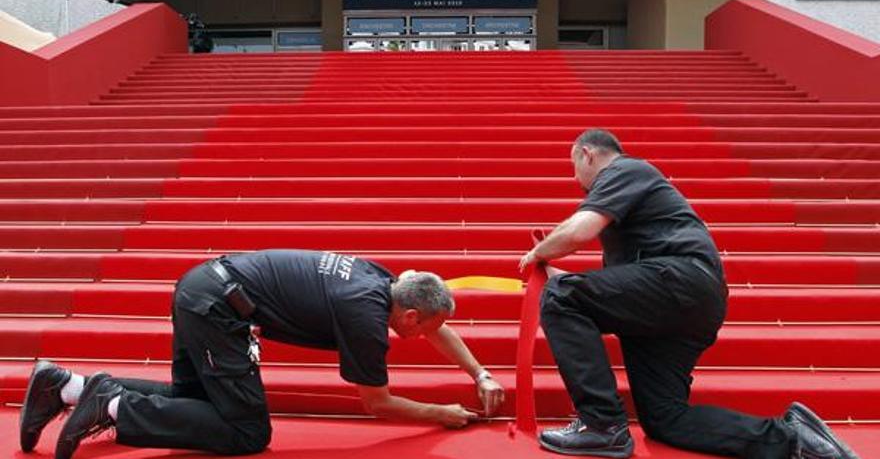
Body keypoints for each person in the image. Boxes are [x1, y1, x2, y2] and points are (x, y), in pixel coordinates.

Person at [518, 129, 859, 459]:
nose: (577, 180)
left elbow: (579, 230)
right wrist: (555, 277)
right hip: (683, 301)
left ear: (586, 154)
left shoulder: (625, 169)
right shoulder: (632, 217)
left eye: (574, 167)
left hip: (680, 280)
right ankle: (795, 441)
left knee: (563, 296)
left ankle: (601, 424)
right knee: (665, 419)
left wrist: (539, 254)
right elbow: (614, 289)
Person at [19, 249, 505, 458]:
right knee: (247, 431)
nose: (423, 339)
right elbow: (376, 403)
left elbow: (441, 329)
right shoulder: (365, 316)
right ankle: (107, 404)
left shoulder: (386, 282)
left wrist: (480, 373)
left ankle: (67, 386)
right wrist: (439, 413)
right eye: (423, 331)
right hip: (218, 309)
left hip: (204, 286)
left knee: (195, 399)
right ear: (412, 316)